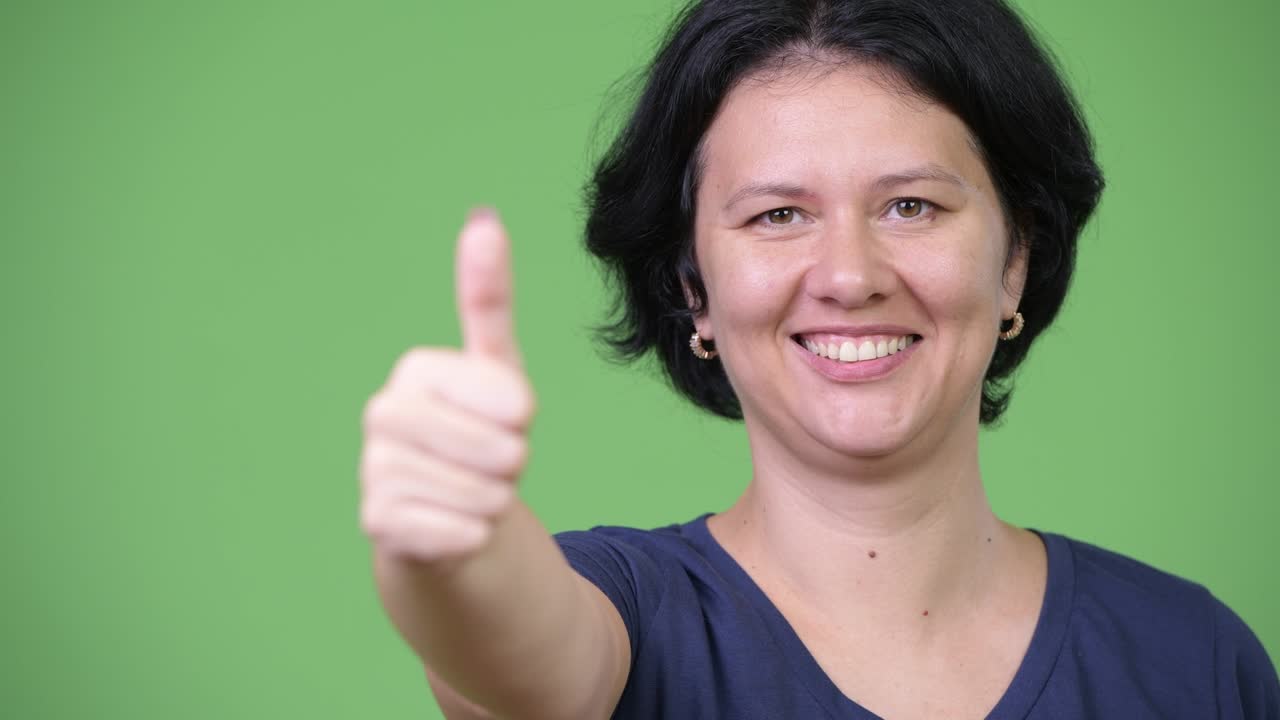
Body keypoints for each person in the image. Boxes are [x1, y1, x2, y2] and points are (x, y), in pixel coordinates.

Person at [358, 0, 1280, 717]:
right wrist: (447, 553)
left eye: (911, 206)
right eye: (777, 215)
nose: (849, 275)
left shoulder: (1194, 657)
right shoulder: (626, 617)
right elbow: (519, 665)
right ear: (693, 289)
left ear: (1015, 262)